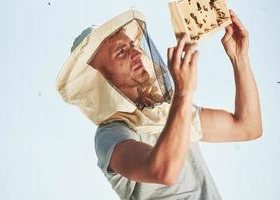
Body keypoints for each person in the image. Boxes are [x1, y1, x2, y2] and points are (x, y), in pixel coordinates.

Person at [56, 9, 262, 200]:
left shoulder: (168, 112)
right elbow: (163, 170)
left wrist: (239, 58)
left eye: (133, 46)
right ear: (100, 78)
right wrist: (183, 93)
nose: (136, 54)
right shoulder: (112, 134)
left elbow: (247, 127)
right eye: (120, 52)